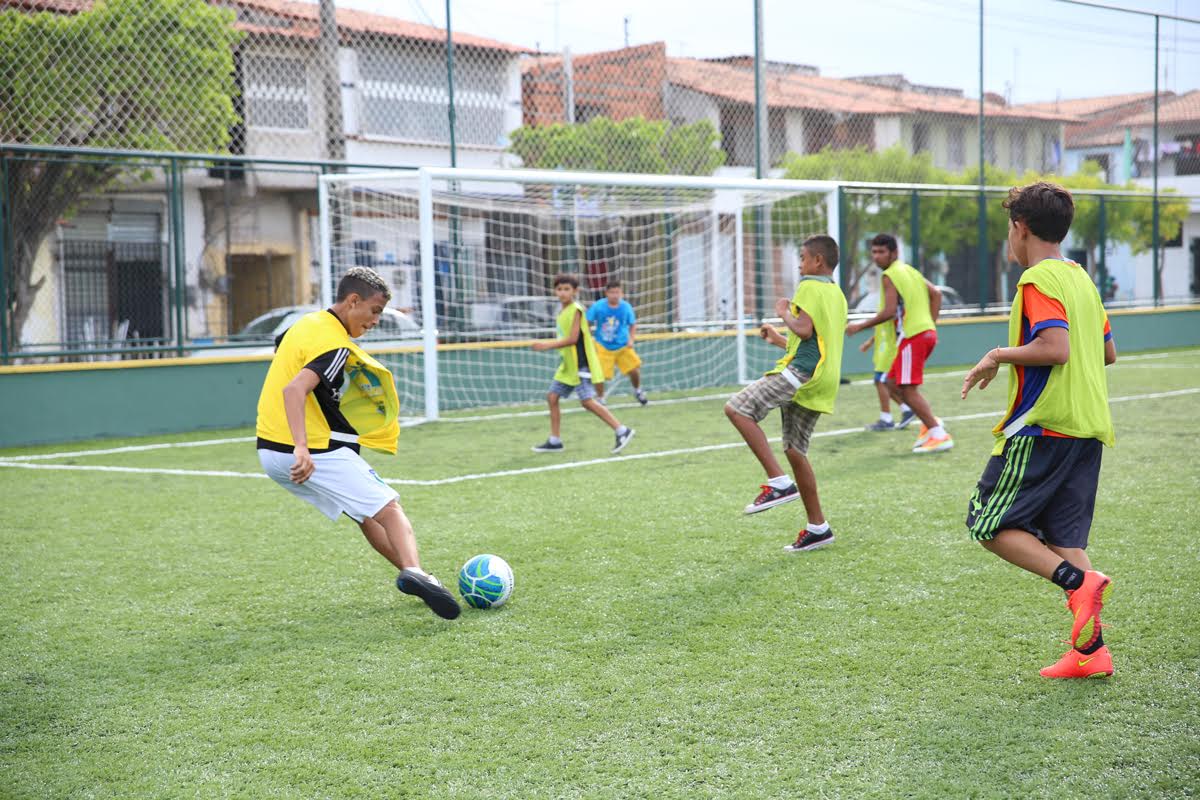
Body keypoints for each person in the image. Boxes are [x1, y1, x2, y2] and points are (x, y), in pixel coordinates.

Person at [962, 182, 1117, 678]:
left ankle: (1076, 582)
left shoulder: (1037, 281)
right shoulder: (1081, 279)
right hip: (1087, 427)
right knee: (1063, 534)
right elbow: (1107, 352)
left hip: (1043, 428)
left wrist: (998, 354)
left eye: (1009, 227)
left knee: (987, 523)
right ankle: (1092, 654)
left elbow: (1055, 349)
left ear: (1020, 227)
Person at [255, 267, 460, 620]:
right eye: (375, 311)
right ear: (353, 301)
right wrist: (302, 447)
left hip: (268, 449)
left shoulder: (307, 324)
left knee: (366, 515)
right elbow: (293, 389)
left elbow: (281, 348)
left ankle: (423, 579)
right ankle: (414, 569)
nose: (376, 320)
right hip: (308, 451)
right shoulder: (334, 344)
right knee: (390, 508)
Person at [724, 235, 848, 551]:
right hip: (822, 378)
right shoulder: (837, 295)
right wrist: (780, 338)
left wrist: (783, 311)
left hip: (802, 374)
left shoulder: (808, 286)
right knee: (795, 449)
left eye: (803, 257)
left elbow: (803, 329)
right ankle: (818, 527)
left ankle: (778, 482)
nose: (800, 263)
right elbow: (813, 339)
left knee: (737, 409)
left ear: (817, 261)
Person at [846, 234, 952, 453]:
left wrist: (859, 326)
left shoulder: (890, 275)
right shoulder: (910, 271)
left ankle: (938, 434)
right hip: (921, 334)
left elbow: (888, 312)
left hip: (913, 336)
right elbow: (936, 294)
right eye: (873, 252)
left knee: (906, 388)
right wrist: (930, 325)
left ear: (894, 253)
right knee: (891, 382)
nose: (876, 256)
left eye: (881, 252)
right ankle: (931, 424)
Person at [531, 273, 635, 455]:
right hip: (568, 365)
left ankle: (621, 430)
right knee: (552, 397)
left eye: (567, 289)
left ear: (575, 291)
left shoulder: (576, 309)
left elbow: (572, 339)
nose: (562, 293)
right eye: (559, 289)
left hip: (580, 364)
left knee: (587, 401)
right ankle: (555, 441)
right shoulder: (562, 311)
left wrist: (546, 345)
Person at [586, 279, 648, 406]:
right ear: (606, 293)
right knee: (600, 375)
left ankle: (638, 391)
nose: (615, 295)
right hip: (603, 345)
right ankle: (600, 398)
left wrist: (631, 339)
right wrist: (588, 338)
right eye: (612, 292)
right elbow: (587, 322)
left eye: (617, 292)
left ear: (622, 293)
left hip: (622, 345)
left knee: (634, 369)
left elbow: (632, 324)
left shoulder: (626, 307)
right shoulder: (598, 306)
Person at [859, 308, 913, 432]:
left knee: (881, 381)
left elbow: (897, 325)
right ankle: (906, 409)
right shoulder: (886, 302)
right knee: (884, 383)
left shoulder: (894, 304)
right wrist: (870, 342)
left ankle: (887, 419)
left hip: (890, 350)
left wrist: (859, 326)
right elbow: (882, 326)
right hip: (883, 351)